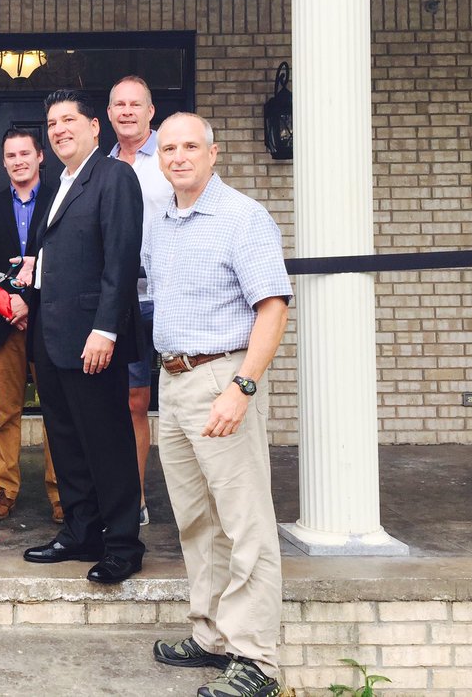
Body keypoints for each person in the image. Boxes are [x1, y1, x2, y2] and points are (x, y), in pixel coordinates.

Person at [147, 112, 291, 697]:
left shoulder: (243, 217)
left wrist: (243, 386)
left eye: (190, 146)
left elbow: (274, 308)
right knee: (196, 519)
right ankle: (210, 635)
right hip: (174, 382)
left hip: (222, 380)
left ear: (214, 153)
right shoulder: (162, 222)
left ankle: (256, 659)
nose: (178, 156)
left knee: (245, 521)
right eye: (168, 149)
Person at [21, 90, 145, 584]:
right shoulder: (58, 185)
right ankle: (80, 531)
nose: (58, 129)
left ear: (96, 126)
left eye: (68, 119)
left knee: (107, 443)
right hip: (51, 337)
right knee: (67, 441)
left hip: (93, 338)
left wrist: (106, 328)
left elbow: (120, 259)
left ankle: (122, 544)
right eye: (51, 122)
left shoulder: (114, 176)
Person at [0, 128, 61, 523]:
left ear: (41, 157)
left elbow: (68, 260)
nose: (18, 160)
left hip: (51, 323)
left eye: (26, 153)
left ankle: (62, 493)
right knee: (6, 412)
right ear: (3, 161)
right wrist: (11, 304)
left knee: (59, 412)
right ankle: (5, 490)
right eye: (11, 155)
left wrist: (29, 301)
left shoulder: (61, 201)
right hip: (3, 324)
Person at [106, 75, 174, 526]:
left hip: (170, 298)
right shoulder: (102, 165)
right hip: (125, 300)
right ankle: (135, 498)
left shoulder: (170, 157)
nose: (127, 111)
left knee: (184, 397)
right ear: (108, 115)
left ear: (151, 112)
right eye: (119, 105)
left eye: (136, 104)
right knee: (130, 400)